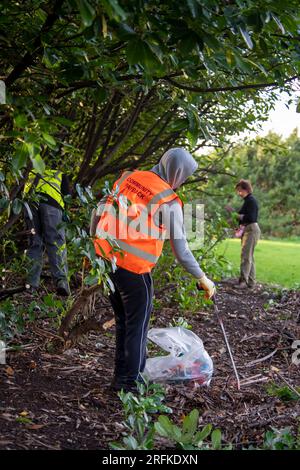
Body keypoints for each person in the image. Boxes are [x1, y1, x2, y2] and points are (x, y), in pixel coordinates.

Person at [91, 148, 216, 392]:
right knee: (136, 327)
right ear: (178, 173)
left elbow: (98, 210)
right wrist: (202, 277)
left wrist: (92, 245)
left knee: (123, 322)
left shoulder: (128, 178)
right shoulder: (168, 201)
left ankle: (120, 379)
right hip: (134, 271)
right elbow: (182, 251)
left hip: (106, 263)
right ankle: (130, 386)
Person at [23, 165, 71, 296]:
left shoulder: (31, 172)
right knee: (56, 242)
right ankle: (61, 281)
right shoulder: (60, 173)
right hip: (52, 205)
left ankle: (31, 285)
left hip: (30, 205)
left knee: (34, 243)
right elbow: (68, 196)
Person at [227, 179, 261, 289]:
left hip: (251, 229)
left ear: (246, 189)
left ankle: (243, 282)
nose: (239, 193)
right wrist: (233, 214)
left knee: (245, 256)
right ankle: (251, 282)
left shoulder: (251, 201)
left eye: (240, 191)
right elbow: (241, 215)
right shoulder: (248, 201)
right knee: (249, 256)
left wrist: (237, 216)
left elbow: (250, 217)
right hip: (248, 229)